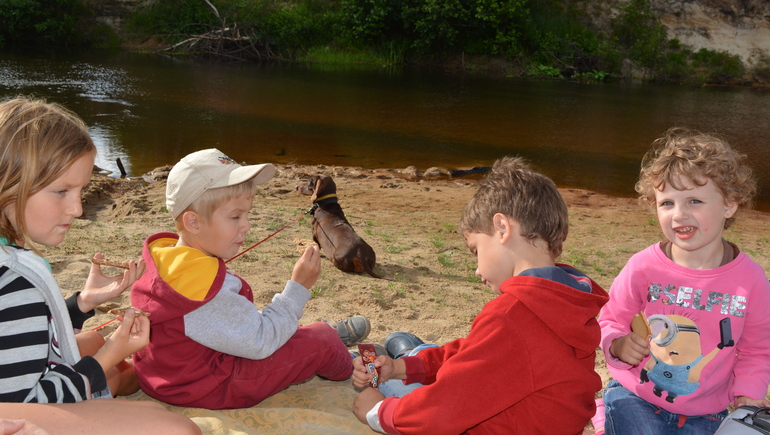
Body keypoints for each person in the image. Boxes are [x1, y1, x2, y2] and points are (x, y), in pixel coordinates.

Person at [352, 156, 610, 435]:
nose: (477, 269)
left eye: (476, 250)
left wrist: (378, 412)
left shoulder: (512, 315)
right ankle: (408, 354)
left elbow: (443, 412)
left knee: (387, 390)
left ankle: (408, 352)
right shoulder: (566, 298)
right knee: (415, 363)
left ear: (502, 228)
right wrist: (403, 368)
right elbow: (477, 352)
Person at [0, 96, 200, 435]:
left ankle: (134, 382)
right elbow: (27, 404)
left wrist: (82, 303)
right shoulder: (15, 281)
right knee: (177, 429)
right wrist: (110, 354)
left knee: (91, 341)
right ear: (8, 184)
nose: (77, 209)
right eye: (61, 191)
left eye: (81, 190)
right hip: (16, 410)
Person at [130, 148, 370, 409]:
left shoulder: (168, 259)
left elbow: (224, 323)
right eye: (235, 216)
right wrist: (298, 288)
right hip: (210, 386)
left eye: (247, 214)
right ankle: (353, 364)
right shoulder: (205, 288)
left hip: (171, 378)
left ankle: (320, 337)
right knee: (322, 340)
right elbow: (260, 341)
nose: (247, 225)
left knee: (288, 328)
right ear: (193, 223)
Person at [597, 128, 770, 435]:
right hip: (635, 397)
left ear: (729, 204)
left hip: (706, 413)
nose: (678, 215)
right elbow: (610, 319)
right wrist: (617, 344)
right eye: (667, 203)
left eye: (694, 201)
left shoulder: (750, 281)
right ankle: (606, 419)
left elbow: (757, 350)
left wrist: (748, 395)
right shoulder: (643, 267)